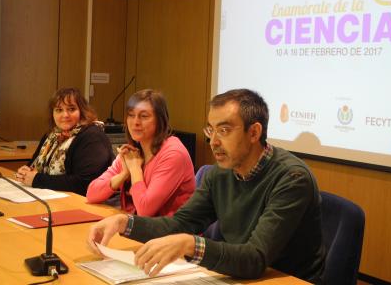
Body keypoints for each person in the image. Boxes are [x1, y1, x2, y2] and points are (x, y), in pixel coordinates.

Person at [87, 89, 326, 283]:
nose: (214, 142)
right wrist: (124, 223)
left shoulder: (292, 178)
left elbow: (255, 258)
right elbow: (180, 223)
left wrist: (190, 244)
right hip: (238, 275)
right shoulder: (219, 173)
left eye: (224, 130)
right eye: (211, 130)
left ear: (254, 132)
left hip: (283, 278)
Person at [86, 89, 195, 216]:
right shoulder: (133, 151)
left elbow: (145, 210)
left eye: (144, 116)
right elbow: (92, 194)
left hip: (172, 232)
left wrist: (135, 170)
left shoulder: (173, 154)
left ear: (160, 120)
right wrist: (124, 174)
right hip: (140, 227)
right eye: (131, 115)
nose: (135, 122)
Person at [16, 87, 114, 196]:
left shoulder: (92, 136)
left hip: (85, 202)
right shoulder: (52, 135)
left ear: (82, 111)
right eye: (59, 110)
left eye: (71, 109)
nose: (65, 115)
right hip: (50, 196)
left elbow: (85, 183)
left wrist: (37, 180)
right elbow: (33, 165)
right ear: (52, 113)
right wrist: (26, 171)